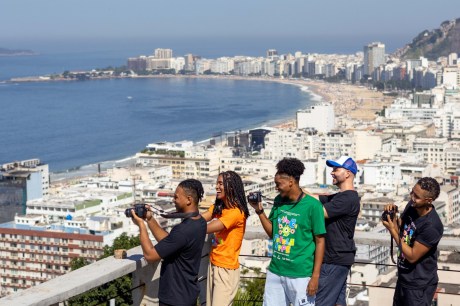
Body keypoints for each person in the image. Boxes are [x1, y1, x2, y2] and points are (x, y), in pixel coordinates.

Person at [250, 157, 326, 306]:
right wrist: (259, 212)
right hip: (276, 271)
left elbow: (320, 241)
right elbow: (273, 233)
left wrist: (315, 276)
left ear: (291, 182)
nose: (276, 188)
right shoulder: (279, 201)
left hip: (301, 274)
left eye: (278, 184)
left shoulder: (313, 206)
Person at [131, 179, 207, 306]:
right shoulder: (200, 222)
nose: (173, 200)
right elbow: (171, 242)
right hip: (188, 293)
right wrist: (149, 219)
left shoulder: (183, 230)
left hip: (174, 298)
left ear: (189, 199)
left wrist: (141, 226)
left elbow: (150, 256)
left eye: (176, 197)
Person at [382, 177, 443, 306]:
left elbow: (412, 256)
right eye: (412, 192)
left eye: (416, 196)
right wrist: (392, 215)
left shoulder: (432, 226)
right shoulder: (412, 206)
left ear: (429, 201)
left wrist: (392, 230)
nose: (412, 197)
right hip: (404, 278)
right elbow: (402, 229)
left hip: (419, 285)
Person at [309, 156, 360, 306]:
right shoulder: (340, 197)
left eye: (336, 169)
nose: (332, 172)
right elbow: (314, 199)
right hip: (340, 258)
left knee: (321, 302)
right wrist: (295, 190)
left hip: (333, 259)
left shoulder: (347, 199)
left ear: (347, 174)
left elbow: (320, 212)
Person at [201, 171, 250, 306]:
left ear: (231, 187)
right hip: (214, 263)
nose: (217, 187)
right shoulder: (219, 207)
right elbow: (201, 219)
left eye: (220, 183)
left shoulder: (236, 213)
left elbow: (205, 227)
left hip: (226, 269)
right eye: (217, 183)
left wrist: (188, 226)